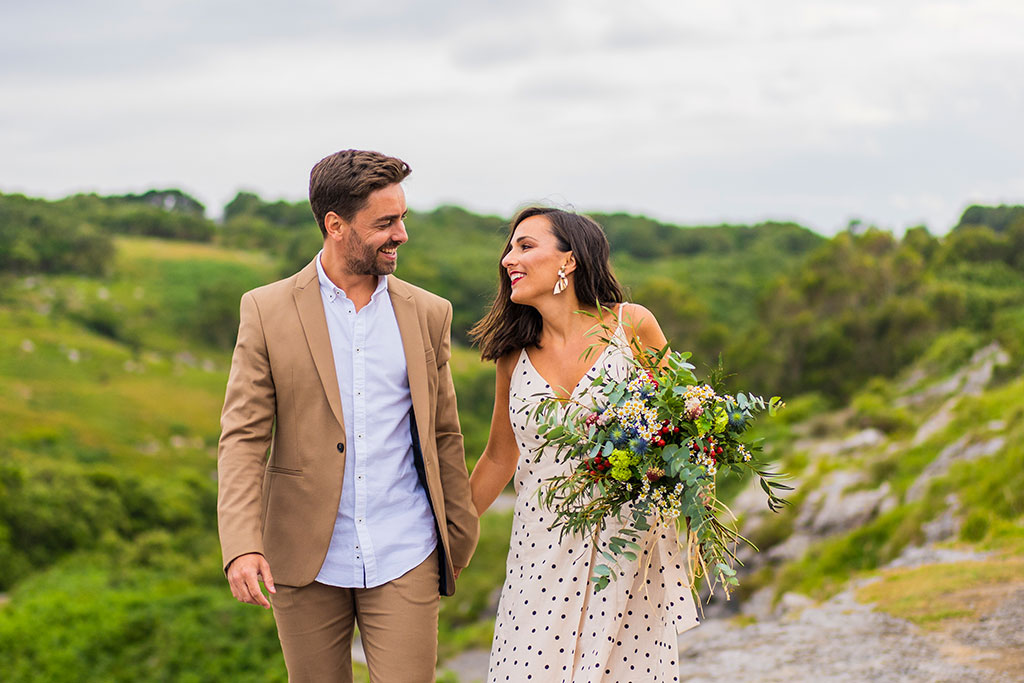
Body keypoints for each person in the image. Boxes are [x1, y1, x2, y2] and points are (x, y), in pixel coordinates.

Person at [217, 149, 479, 682]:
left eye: (403, 217)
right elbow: (243, 439)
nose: (402, 233)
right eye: (385, 222)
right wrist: (242, 544)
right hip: (303, 555)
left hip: (407, 548)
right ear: (335, 225)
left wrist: (459, 529)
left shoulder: (430, 312)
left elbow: (444, 433)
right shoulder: (265, 310)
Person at [468, 207, 700, 682]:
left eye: (525, 246)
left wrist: (671, 471)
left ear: (568, 261)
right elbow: (498, 456)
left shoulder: (632, 326)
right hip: (541, 544)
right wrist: (447, 531)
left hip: (627, 543)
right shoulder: (514, 357)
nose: (508, 257)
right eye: (509, 247)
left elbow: (684, 424)